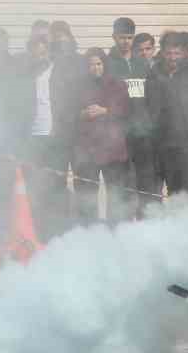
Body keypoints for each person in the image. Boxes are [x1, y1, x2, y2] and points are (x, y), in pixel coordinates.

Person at [21, 33, 72, 236]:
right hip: (32, 138)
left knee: (57, 185)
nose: (39, 57)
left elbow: (68, 105)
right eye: (36, 53)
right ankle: (38, 231)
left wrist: (61, 130)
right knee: (35, 186)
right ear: (30, 54)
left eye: (43, 53)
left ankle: (59, 231)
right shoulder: (24, 76)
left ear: (49, 52)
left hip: (55, 137)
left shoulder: (59, 74)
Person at [71, 46, 129, 221]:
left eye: (99, 64)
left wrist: (105, 111)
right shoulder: (78, 86)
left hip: (112, 147)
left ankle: (116, 228)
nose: (95, 68)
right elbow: (68, 112)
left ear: (105, 64)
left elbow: (126, 109)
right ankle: (89, 230)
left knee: (115, 193)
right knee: (86, 192)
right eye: (91, 65)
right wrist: (82, 114)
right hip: (87, 149)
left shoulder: (117, 84)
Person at [107, 19, 154, 217]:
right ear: (114, 37)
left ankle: (146, 222)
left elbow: (151, 96)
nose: (126, 42)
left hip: (142, 132)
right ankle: (123, 223)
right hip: (119, 134)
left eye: (129, 37)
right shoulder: (108, 64)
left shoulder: (142, 63)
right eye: (121, 38)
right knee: (121, 183)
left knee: (145, 181)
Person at [147, 32, 188, 198]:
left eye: (177, 53)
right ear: (162, 52)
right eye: (169, 53)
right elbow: (150, 107)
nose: (173, 57)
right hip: (163, 141)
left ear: (183, 53)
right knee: (173, 188)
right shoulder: (154, 74)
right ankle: (175, 215)